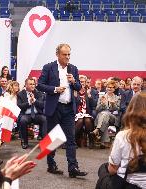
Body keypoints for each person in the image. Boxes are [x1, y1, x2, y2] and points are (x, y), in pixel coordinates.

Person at [37, 43, 87, 178]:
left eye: (69, 54)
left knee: (71, 139)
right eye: (64, 54)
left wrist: (73, 81)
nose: (67, 57)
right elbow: (39, 85)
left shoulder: (73, 69)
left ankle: (73, 168)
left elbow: (78, 87)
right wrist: (55, 89)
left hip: (69, 108)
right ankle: (51, 165)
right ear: (57, 54)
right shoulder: (49, 67)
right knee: (53, 138)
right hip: (54, 107)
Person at [96, 92, 146, 189]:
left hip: (128, 185)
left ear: (131, 110)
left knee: (103, 169)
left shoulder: (123, 136)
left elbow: (113, 169)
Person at [17, 78, 46, 149]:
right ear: (26, 85)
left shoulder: (39, 93)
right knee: (23, 120)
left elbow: (42, 105)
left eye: (33, 84)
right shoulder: (20, 94)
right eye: (30, 84)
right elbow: (20, 106)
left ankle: (44, 141)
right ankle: (24, 141)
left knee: (45, 119)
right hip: (26, 114)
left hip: (37, 114)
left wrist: (35, 101)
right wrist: (29, 103)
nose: (33, 86)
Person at [91, 80, 121, 148]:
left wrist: (113, 105)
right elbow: (97, 109)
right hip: (102, 116)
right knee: (105, 118)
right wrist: (102, 104)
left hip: (113, 117)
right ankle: (104, 142)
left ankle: (97, 130)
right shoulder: (102, 97)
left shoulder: (117, 98)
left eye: (111, 87)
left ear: (114, 88)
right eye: (108, 87)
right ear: (106, 87)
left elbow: (119, 109)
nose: (109, 88)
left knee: (105, 114)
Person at [74, 75, 96, 148]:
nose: (81, 83)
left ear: (86, 82)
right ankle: (71, 141)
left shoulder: (90, 91)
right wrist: (75, 96)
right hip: (76, 113)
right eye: (80, 81)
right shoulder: (74, 91)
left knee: (87, 121)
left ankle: (91, 140)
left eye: (83, 82)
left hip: (87, 113)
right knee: (80, 121)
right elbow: (74, 104)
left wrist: (89, 95)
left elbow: (93, 105)